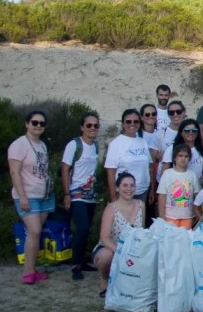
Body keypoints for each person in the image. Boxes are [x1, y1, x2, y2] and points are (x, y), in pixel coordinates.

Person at [9, 110, 53, 285]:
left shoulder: (42, 145)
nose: (38, 126)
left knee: (35, 233)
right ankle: (27, 273)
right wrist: (23, 197)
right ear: (27, 124)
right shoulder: (19, 144)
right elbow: (14, 172)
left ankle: (32, 269)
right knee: (34, 231)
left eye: (42, 123)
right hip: (27, 195)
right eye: (35, 122)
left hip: (44, 195)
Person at [61, 112, 100, 281]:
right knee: (82, 227)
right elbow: (65, 169)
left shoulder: (96, 145)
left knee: (86, 228)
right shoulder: (74, 145)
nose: (92, 128)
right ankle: (75, 264)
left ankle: (81, 260)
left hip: (90, 194)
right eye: (89, 125)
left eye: (95, 125)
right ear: (82, 127)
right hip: (76, 192)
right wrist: (66, 194)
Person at [93, 173, 144, 298]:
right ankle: (104, 279)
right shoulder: (111, 208)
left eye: (132, 185)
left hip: (133, 249)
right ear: (117, 188)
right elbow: (104, 237)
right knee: (106, 255)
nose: (129, 189)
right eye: (125, 185)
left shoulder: (141, 205)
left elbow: (141, 232)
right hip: (111, 248)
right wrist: (121, 251)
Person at [105, 109, 154, 204]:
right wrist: (113, 197)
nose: (132, 124)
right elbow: (111, 172)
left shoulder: (143, 142)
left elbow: (149, 167)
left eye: (136, 121)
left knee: (140, 218)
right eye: (128, 121)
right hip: (124, 193)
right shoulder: (116, 144)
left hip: (143, 191)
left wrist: (152, 189)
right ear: (123, 124)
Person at [157, 144, 201, 229]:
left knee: (185, 239)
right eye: (180, 155)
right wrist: (162, 217)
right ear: (174, 158)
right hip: (170, 216)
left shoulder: (192, 175)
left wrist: (198, 214)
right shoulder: (167, 174)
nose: (183, 159)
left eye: (186, 156)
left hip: (187, 216)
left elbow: (198, 197)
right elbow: (162, 196)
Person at [161, 100, 187, 175]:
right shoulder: (162, 133)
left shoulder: (190, 132)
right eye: (171, 112)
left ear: (184, 112)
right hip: (165, 175)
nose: (175, 114)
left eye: (178, 111)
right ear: (168, 114)